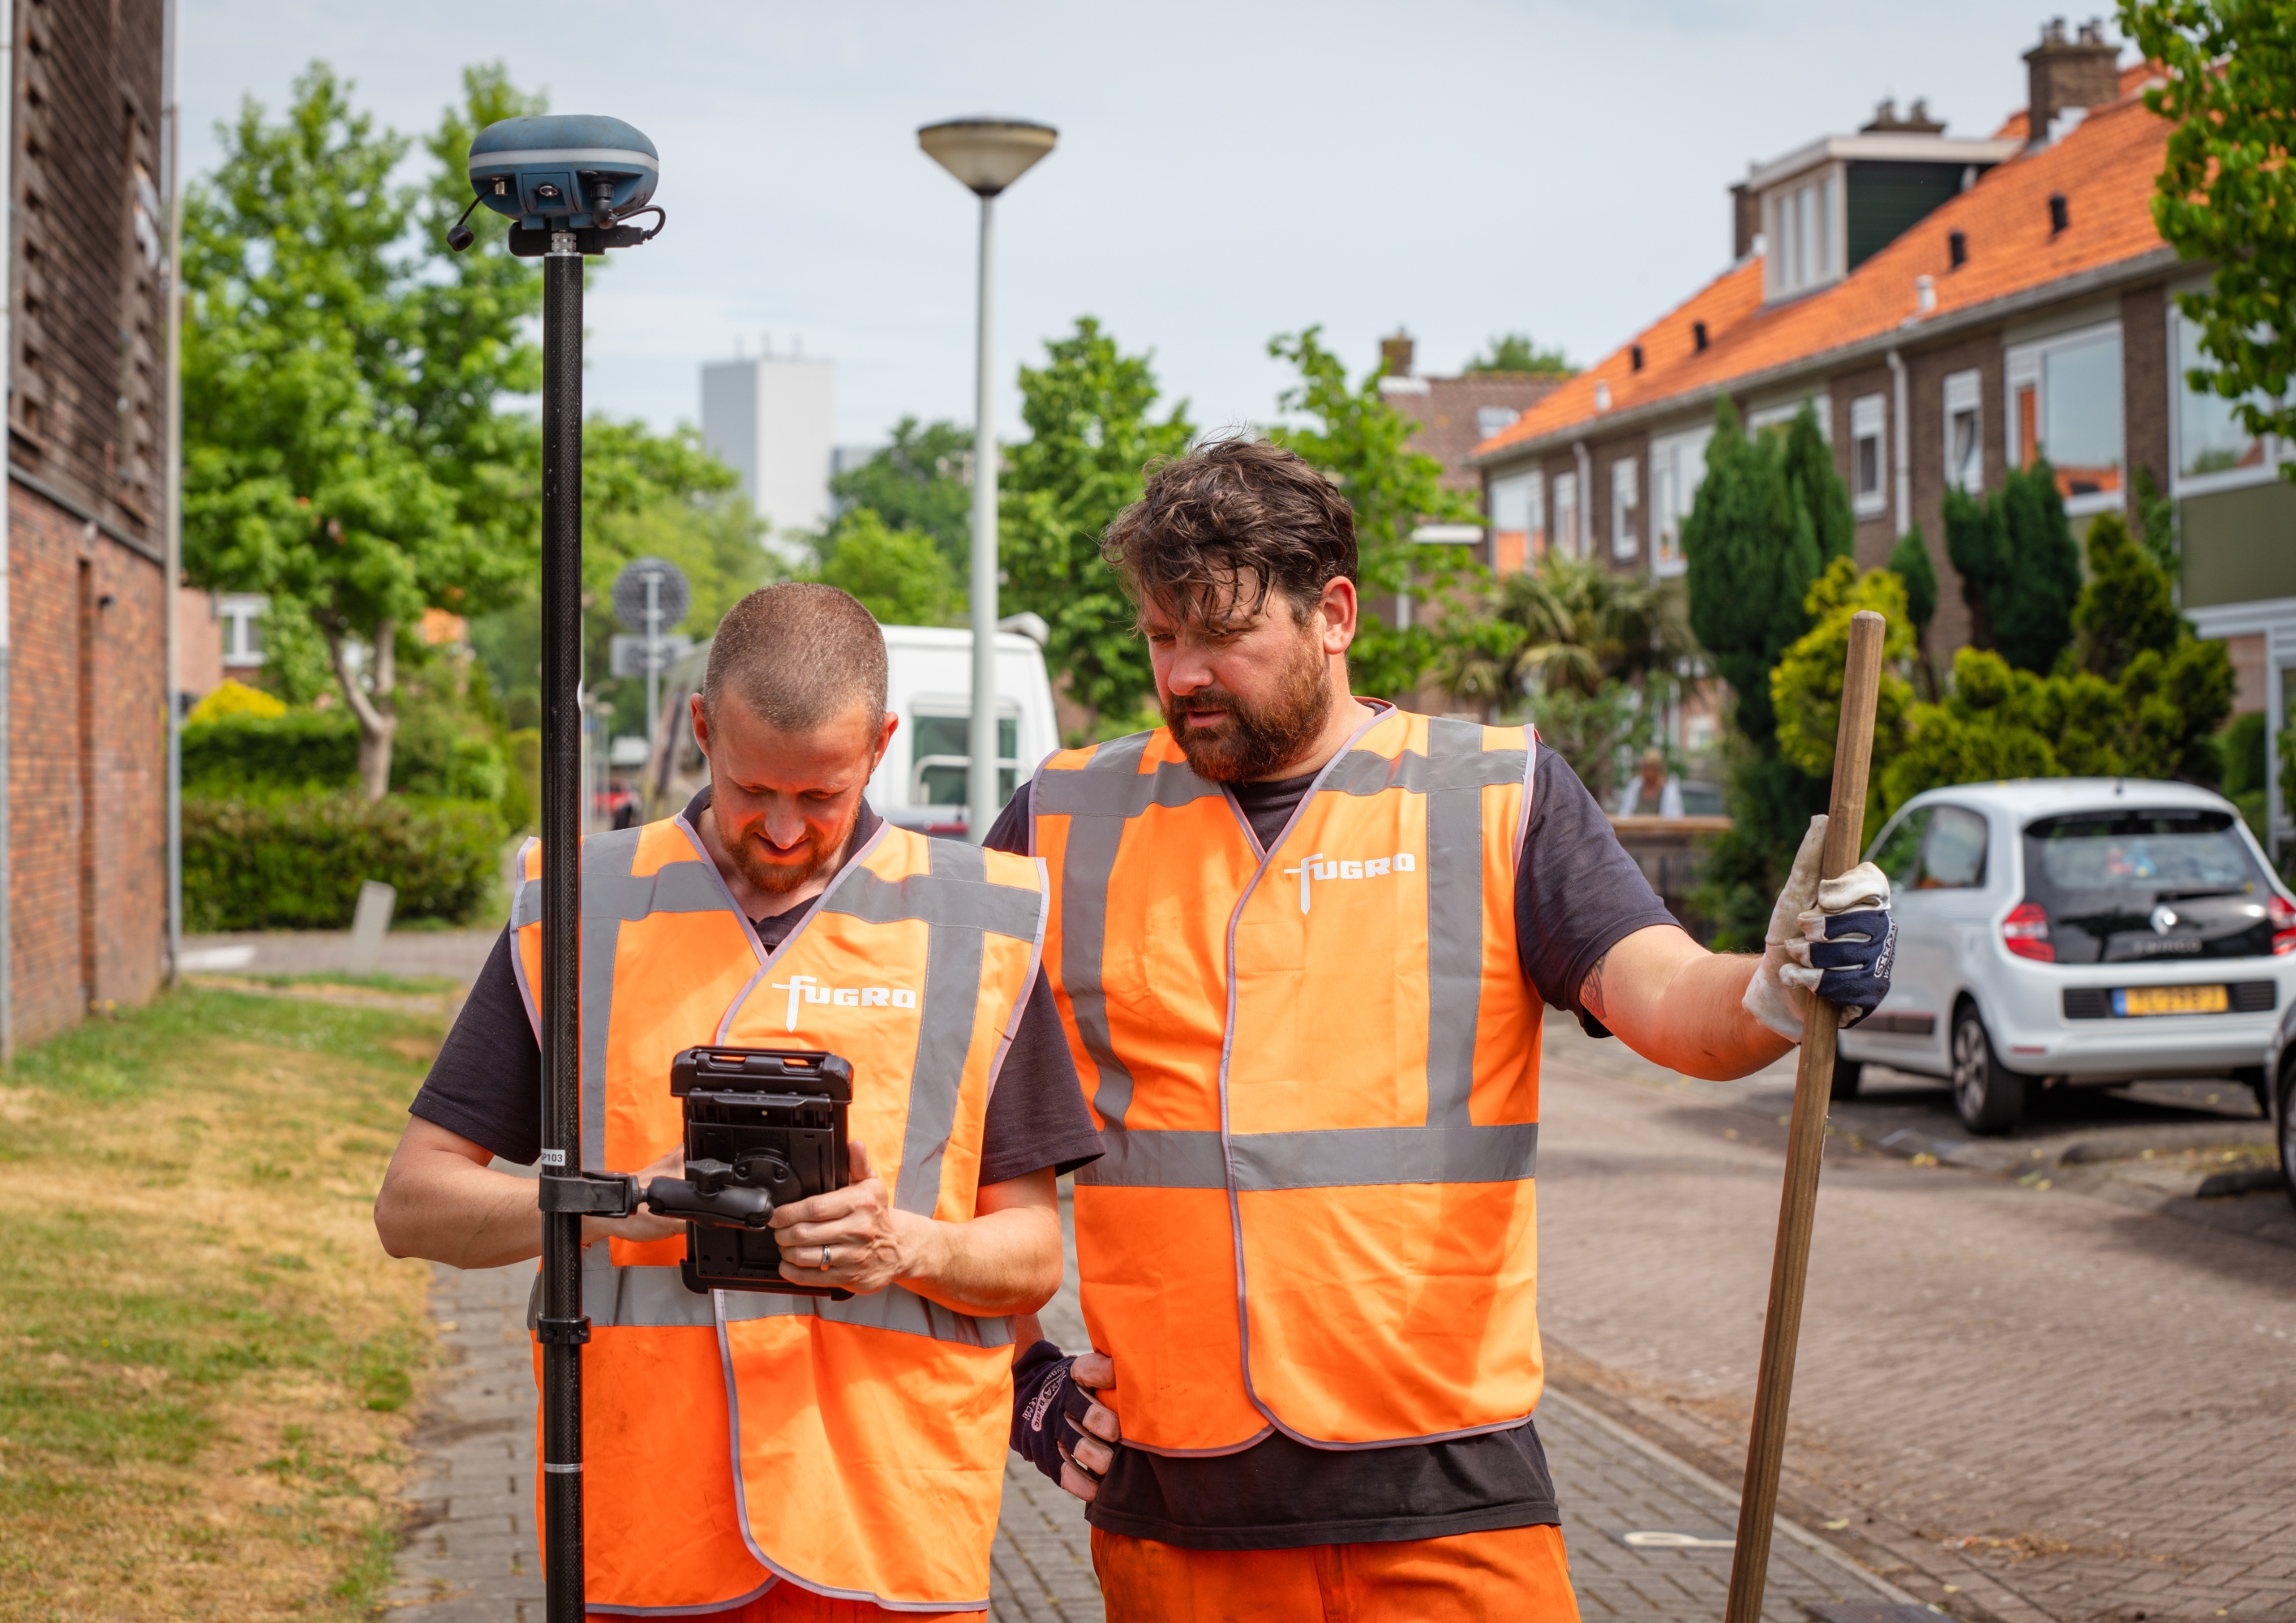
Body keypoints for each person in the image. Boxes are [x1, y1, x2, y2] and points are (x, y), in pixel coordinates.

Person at [989, 440, 1892, 1621]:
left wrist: (1776, 986)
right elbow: (946, 1108)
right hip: (1178, 1508)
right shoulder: (1065, 818)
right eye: (1165, 637)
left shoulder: (1494, 796)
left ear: (1335, 617)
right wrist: (1016, 1367)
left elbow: (1669, 997)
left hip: (1449, 1495)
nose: (1188, 673)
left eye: (1224, 635)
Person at [375, 584, 1103, 1620]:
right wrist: (610, 1200)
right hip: (645, 1534)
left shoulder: (976, 924)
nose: (782, 827)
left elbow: (1033, 1254)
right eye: (753, 786)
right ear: (703, 729)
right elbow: (411, 1207)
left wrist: (906, 1245)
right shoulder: (581, 908)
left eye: (823, 795)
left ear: (883, 743)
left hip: (889, 1531)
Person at [1616, 746, 1684, 818]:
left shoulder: (1669, 790)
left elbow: (1676, 816)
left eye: (1649, 768)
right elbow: (1624, 812)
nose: (1645, 772)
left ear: (1657, 769)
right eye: (1644, 767)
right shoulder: (1635, 785)